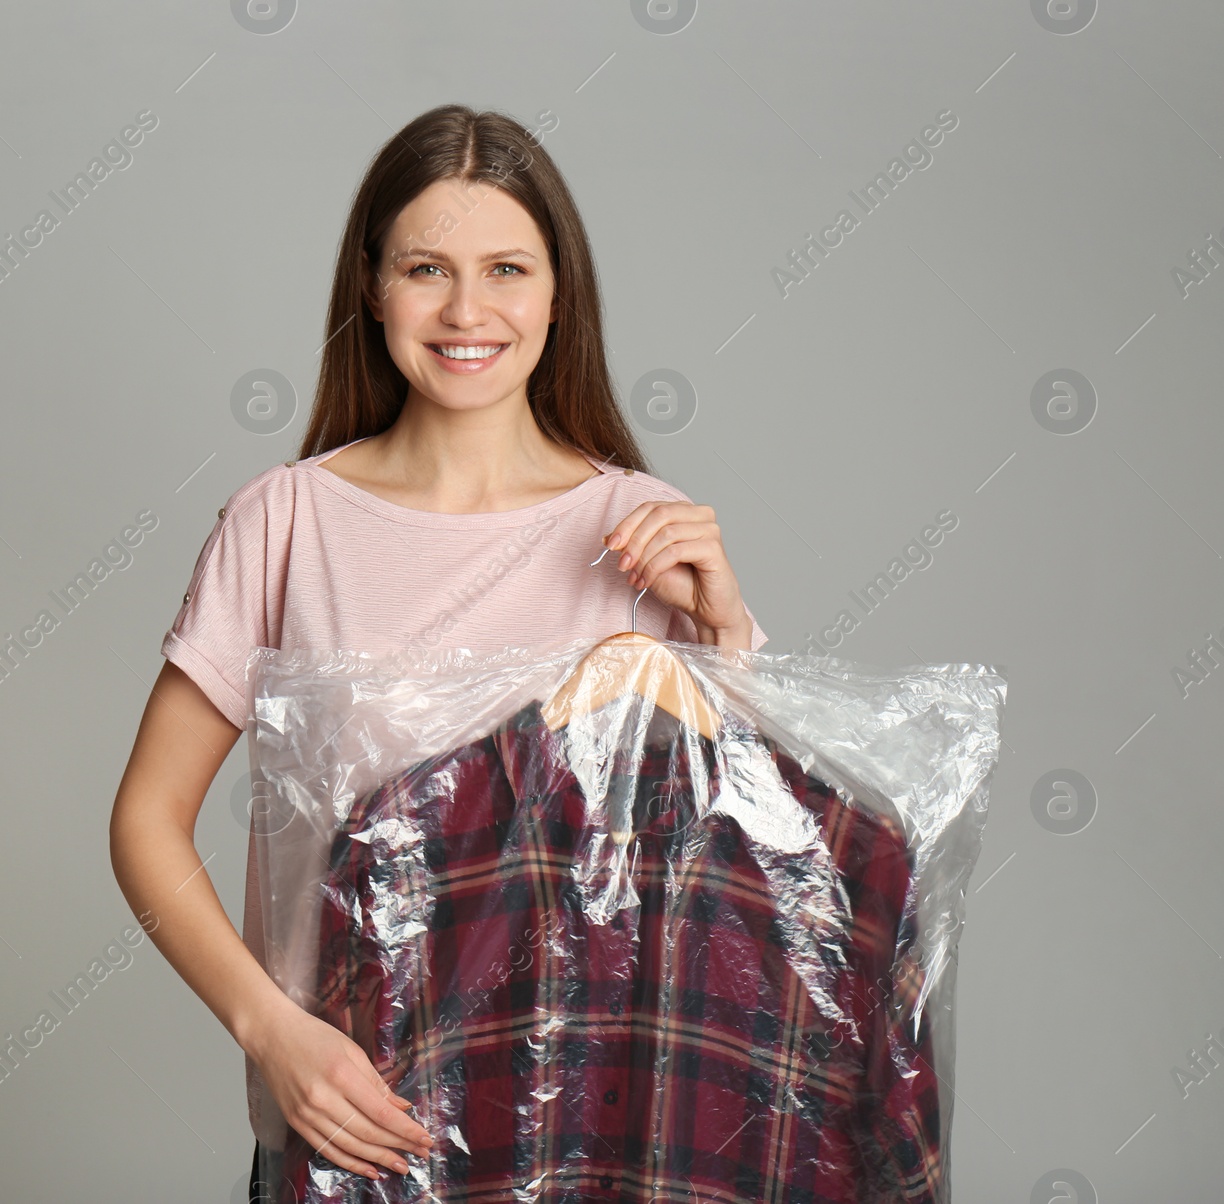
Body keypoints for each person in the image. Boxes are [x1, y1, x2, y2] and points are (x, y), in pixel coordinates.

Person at [108, 103, 768, 1195]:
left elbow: (743, 874)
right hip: (350, 1129)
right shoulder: (284, 522)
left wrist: (725, 635)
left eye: (507, 267)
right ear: (372, 287)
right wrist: (272, 1032)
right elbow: (144, 817)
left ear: (560, 293)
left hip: (589, 1138)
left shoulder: (643, 530)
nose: (468, 309)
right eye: (427, 267)